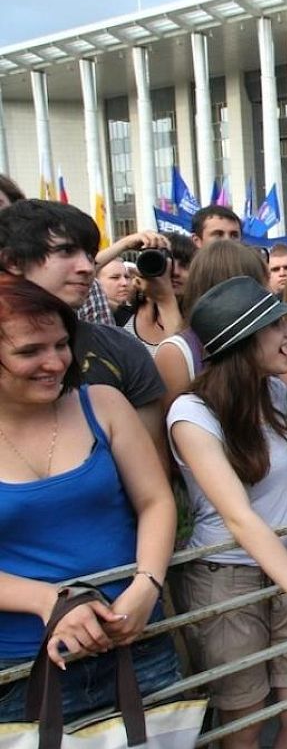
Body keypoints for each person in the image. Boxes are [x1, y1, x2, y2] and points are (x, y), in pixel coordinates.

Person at [168, 276, 287, 748]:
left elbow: (278, 472)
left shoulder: (274, 392)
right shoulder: (191, 414)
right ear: (244, 341)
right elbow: (238, 516)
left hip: (286, 564)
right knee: (244, 725)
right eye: (276, 325)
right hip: (225, 577)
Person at [0, 275, 179, 724]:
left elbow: (156, 500)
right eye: (29, 351)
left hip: (135, 644)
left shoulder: (102, 403)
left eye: (61, 344)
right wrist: (49, 602)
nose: (55, 362)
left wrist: (147, 584)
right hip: (24, 667)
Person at [0, 200, 168, 466]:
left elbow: (153, 474)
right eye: (66, 251)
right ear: (13, 261)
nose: (87, 267)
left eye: (90, 255)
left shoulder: (121, 348)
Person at [156, 239, 270, 413]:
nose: (267, 292)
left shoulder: (264, 338)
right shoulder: (177, 353)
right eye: (259, 285)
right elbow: (171, 429)